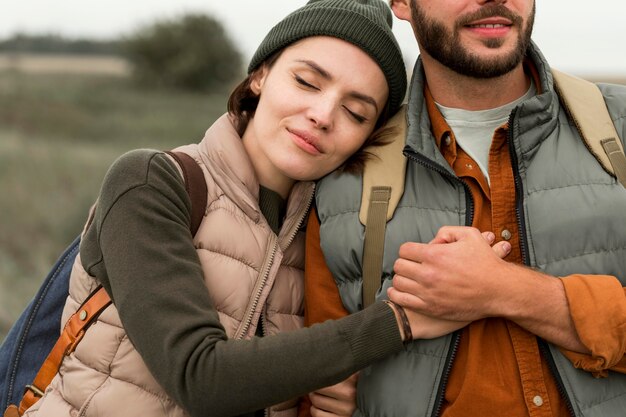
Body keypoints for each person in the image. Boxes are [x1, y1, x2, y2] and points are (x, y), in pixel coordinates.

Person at [15, 1, 424, 417]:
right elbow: (200, 377)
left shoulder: (329, 239)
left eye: (355, 112)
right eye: (306, 82)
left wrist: (334, 395)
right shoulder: (153, 182)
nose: (322, 116)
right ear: (260, 75)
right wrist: (401, 320)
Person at [304, 0, 626, 416]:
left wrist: (507, 291)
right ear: (402, 4)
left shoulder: (619, 127)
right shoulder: (344, 178)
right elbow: (324, 386)